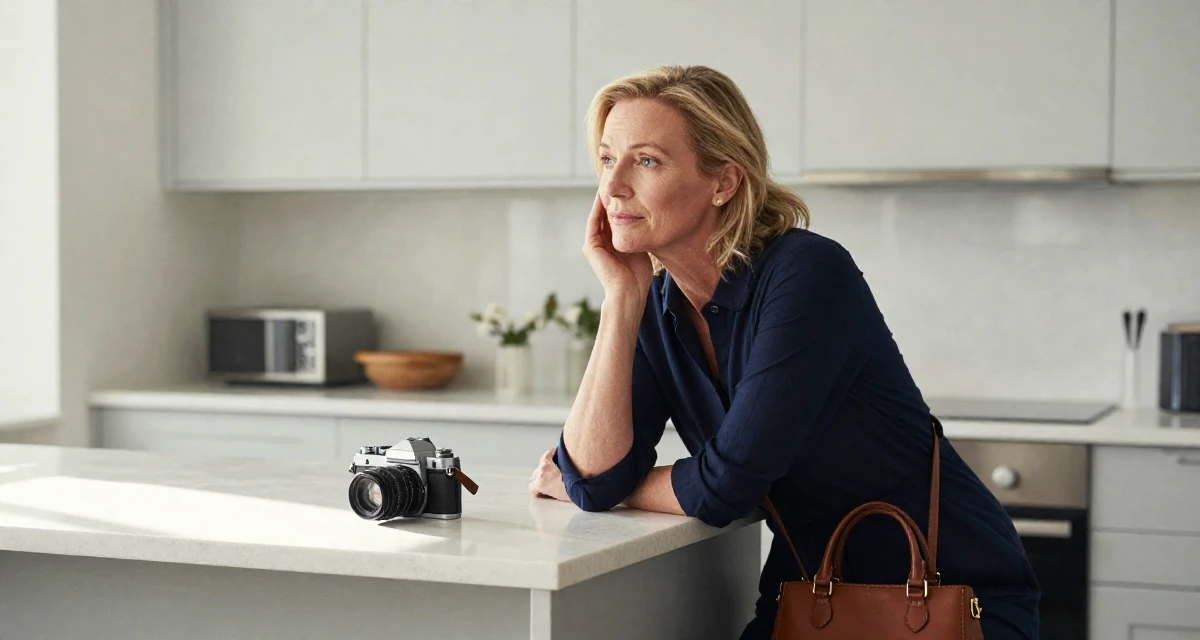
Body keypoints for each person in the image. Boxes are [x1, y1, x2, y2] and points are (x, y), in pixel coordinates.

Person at [527, 65, 1039, 639]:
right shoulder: (655, 300)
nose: (613, 185)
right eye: (606, 158)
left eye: (646, 160)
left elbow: (725, 485)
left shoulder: (806, 273)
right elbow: (594, 480)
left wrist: (626, 483)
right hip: (811, 597)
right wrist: (622, 296)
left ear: (723, 182)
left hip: (946, 597)